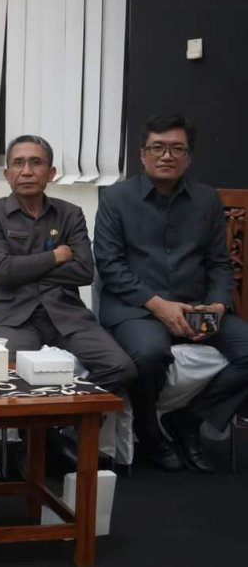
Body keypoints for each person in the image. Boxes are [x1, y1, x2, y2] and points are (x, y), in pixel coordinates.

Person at [95, 113, 248, 473]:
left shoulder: (207, 200)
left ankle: (189, 420)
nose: (167, 156)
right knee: (148, 354)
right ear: (142, 154)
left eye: (177, 149)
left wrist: (218, 304)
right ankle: (149, 430)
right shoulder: (115, 198)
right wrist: (159, 306)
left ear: (188, 157)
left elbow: (219, 263)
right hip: (138, 308)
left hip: (198, 306)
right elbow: (110, 265)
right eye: (158, 148)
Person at [0, 134, 136, 394]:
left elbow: (84, 272)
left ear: (51, 173)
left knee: (121, 368)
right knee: (8, 376)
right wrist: (56, 256)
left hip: (66, 314)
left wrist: (18, 269)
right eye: (18, 163)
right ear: (7, 174)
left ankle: (75, 416)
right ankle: (50, 422)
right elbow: (3, 271)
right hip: (14, 317)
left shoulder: (70, 214)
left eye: (35, 162)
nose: (26, 171)